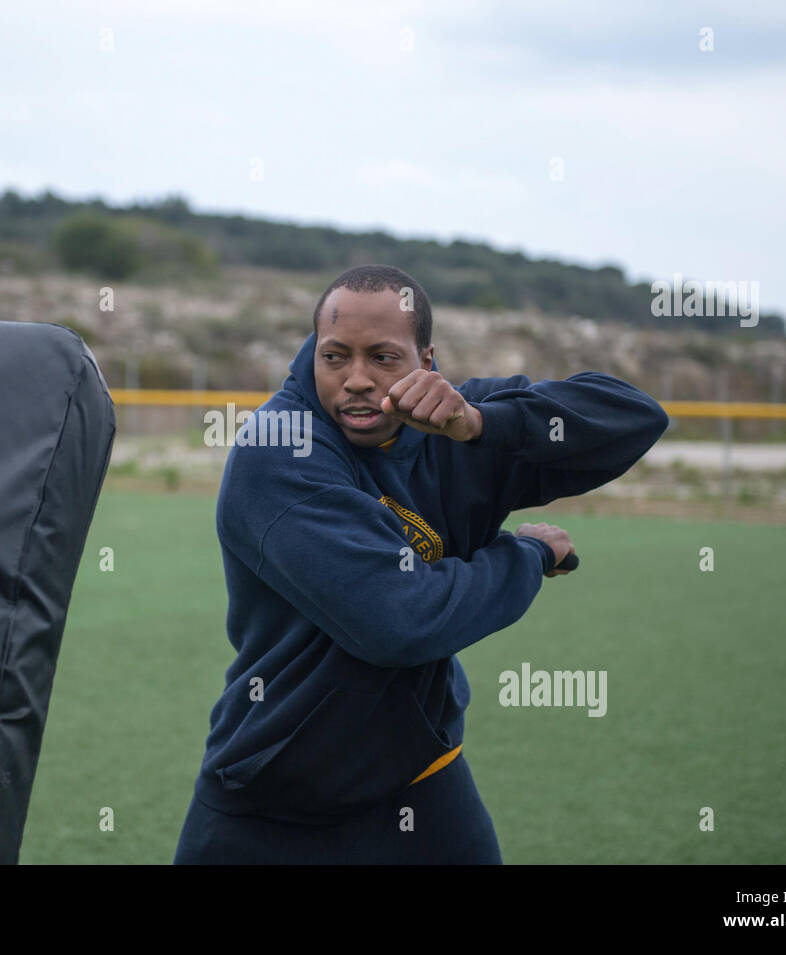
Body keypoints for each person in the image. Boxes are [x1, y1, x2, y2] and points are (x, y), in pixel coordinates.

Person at [175, 264, 669, 863]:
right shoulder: (279, 449)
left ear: (425, 360)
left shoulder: (458, 422)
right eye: (335, 357)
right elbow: (398, 620)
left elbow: (634, 417)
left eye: (383, 357)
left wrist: (485, 424)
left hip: (423, 779)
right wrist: (527, 555)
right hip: (273, 800)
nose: (356, 379)